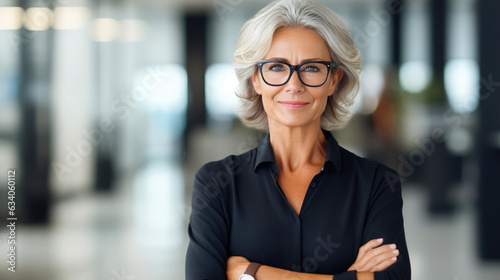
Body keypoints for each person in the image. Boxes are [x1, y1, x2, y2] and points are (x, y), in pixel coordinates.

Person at [185, 0, 411, 279]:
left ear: (333, 80)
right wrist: (350, 275)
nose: (294, 85)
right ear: (256, 79)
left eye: (312, 68)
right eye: (277, 67)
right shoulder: (217, 184)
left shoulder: (377, 183)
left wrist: (254, 274)